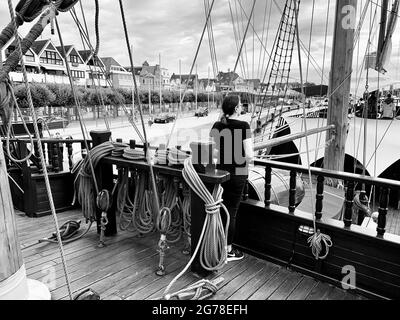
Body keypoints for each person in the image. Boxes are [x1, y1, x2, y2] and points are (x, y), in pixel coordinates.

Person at [209, 95, 254, 261]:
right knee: (231, 211)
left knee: (219, 208)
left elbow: (211, 151)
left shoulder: (217, 125)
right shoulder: (244, 126)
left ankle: (216, 242)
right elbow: (249, 155)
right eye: (240, 104)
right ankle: (228, 250)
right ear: (236, 108)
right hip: (239, 173)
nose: (242, 106)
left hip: (220, 173)